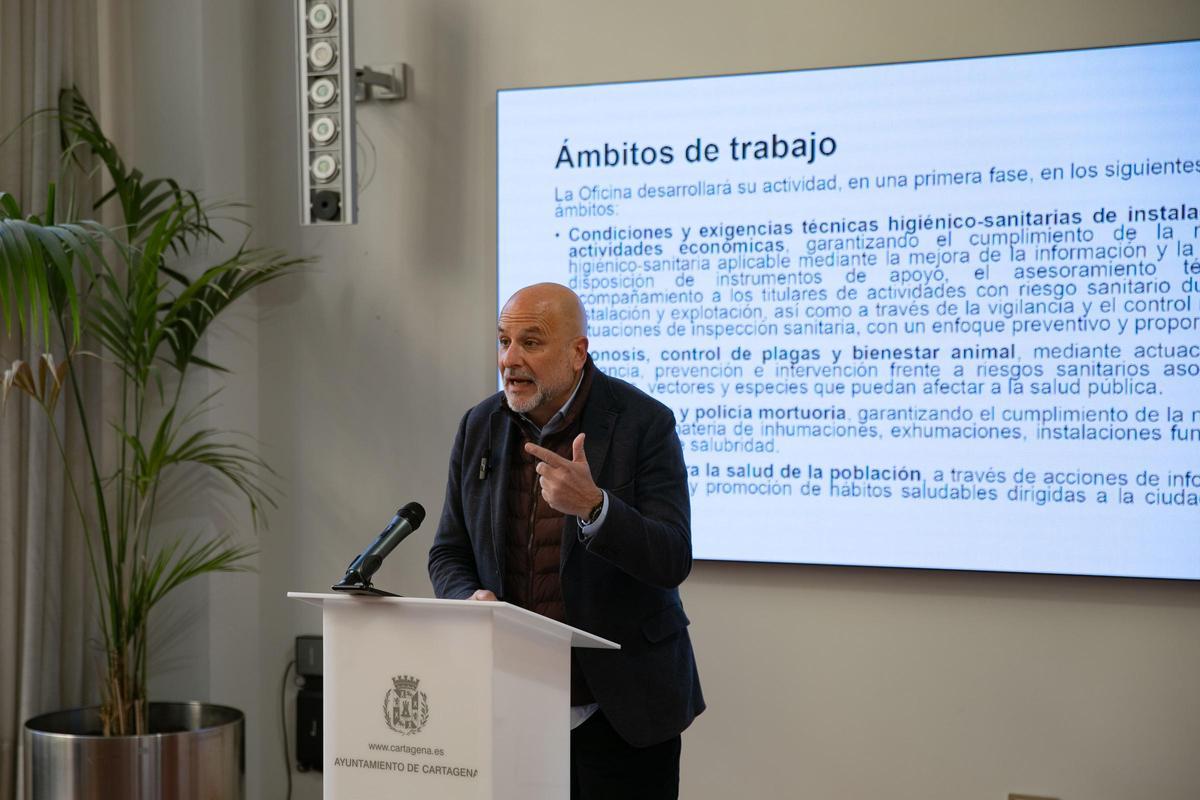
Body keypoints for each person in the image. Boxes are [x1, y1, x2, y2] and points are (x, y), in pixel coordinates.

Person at [428, 282, 704, 799]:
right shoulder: (479, 425)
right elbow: (449, 550)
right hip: (512, 704)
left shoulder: (644, 423)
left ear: (578, 352)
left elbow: (672, 557)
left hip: (621, 710)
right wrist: (467, 597)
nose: (510, 359)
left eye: (530, 342)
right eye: (503, 341)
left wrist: (596, 508)